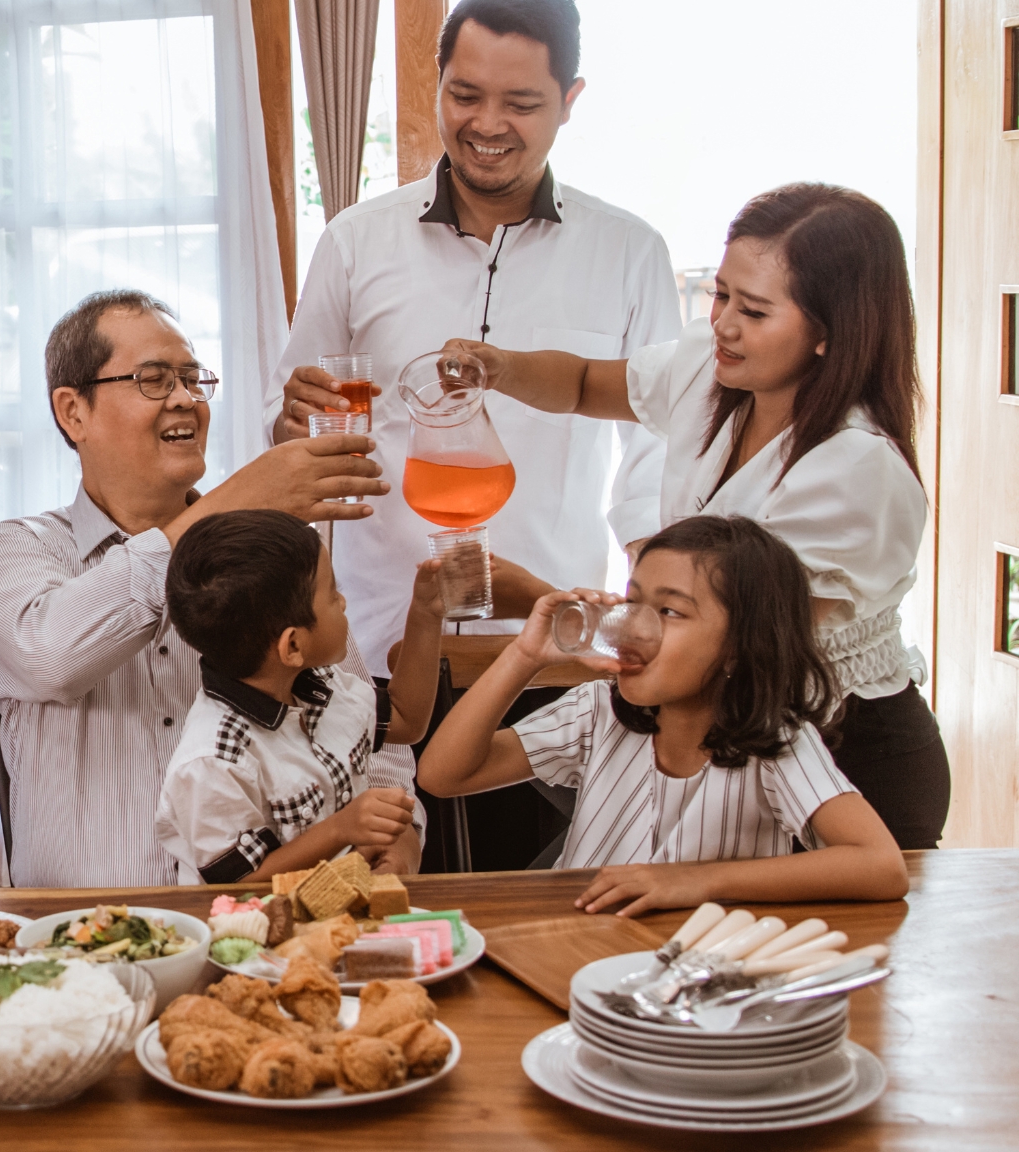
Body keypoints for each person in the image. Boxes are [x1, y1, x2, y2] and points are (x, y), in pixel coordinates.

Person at [268, 0, 682, 866]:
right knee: (378, 912)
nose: (487, 126)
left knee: (536, 904)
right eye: (465, 95)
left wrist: (658, 621)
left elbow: (655, 461)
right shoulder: (353, 242)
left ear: (570, 100)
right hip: (372, 653)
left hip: (544, 653)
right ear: (439, 86)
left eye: (521, 104)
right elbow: (295, 443)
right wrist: (291, 422)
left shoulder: (630, 252)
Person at [444, 184, 948, 849]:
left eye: (756, 311)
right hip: (731, 733)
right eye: (722, 295)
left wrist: (540, 602)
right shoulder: (711, 374)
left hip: (842, 755)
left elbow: (730, 642)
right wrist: (499, 368)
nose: (724, 324)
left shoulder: (855, 470)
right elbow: (584, 384)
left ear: (830, 333)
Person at [0, 289, 406, 888]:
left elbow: (367, 734)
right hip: (79, 935)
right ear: (74, 412)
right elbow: (52, 659)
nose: (184, 399)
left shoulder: (261, 558)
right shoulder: (21, 549)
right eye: (153, 379)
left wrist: (400, 835)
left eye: (192, 378)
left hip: (260, 930)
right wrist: (235, 501)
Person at [417, 517, 908, 917]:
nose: (635, 627)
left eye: (670, 612)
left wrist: (696, 881)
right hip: (572, 946)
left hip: (693, 978)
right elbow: (442, 775)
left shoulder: (775, 743)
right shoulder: (599, 711)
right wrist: (527, 656)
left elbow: (881, 866)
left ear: (741, 646)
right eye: (632, 603)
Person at [155, 510, 444, 884]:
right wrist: (342, 829)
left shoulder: (322, 684)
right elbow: (238, 884)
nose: (342, 602)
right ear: (292, 645)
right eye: (330, 594)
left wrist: (425, 613)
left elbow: (406, 719)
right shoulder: (213, 761)